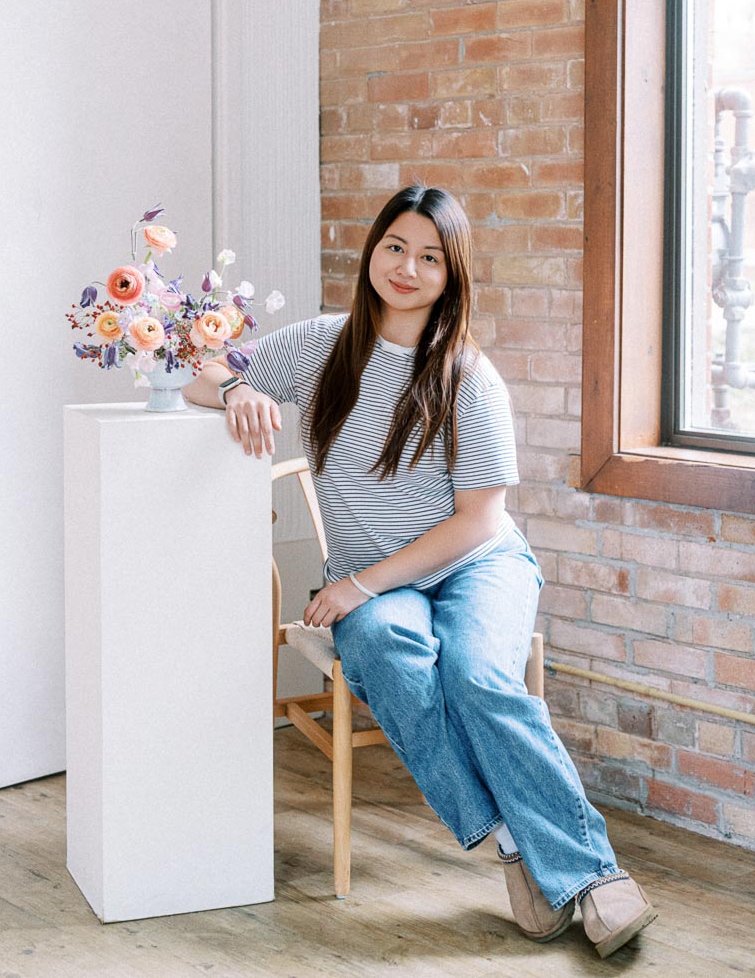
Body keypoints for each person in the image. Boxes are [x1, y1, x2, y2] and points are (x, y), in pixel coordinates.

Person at [184, 184, 657, 959]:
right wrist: (236, 387)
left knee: (478, 675)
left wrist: (360, 584)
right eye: (396, 246)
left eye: (430, 257)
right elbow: (200, 374)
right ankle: (516, 844)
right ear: (373, 249)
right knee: (379, 648)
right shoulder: (317, 347)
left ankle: (594, 878)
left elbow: (479, 520)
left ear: (452, 275)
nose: (407, 267)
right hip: (375, 581)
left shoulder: (469, 375)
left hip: (476, 566)